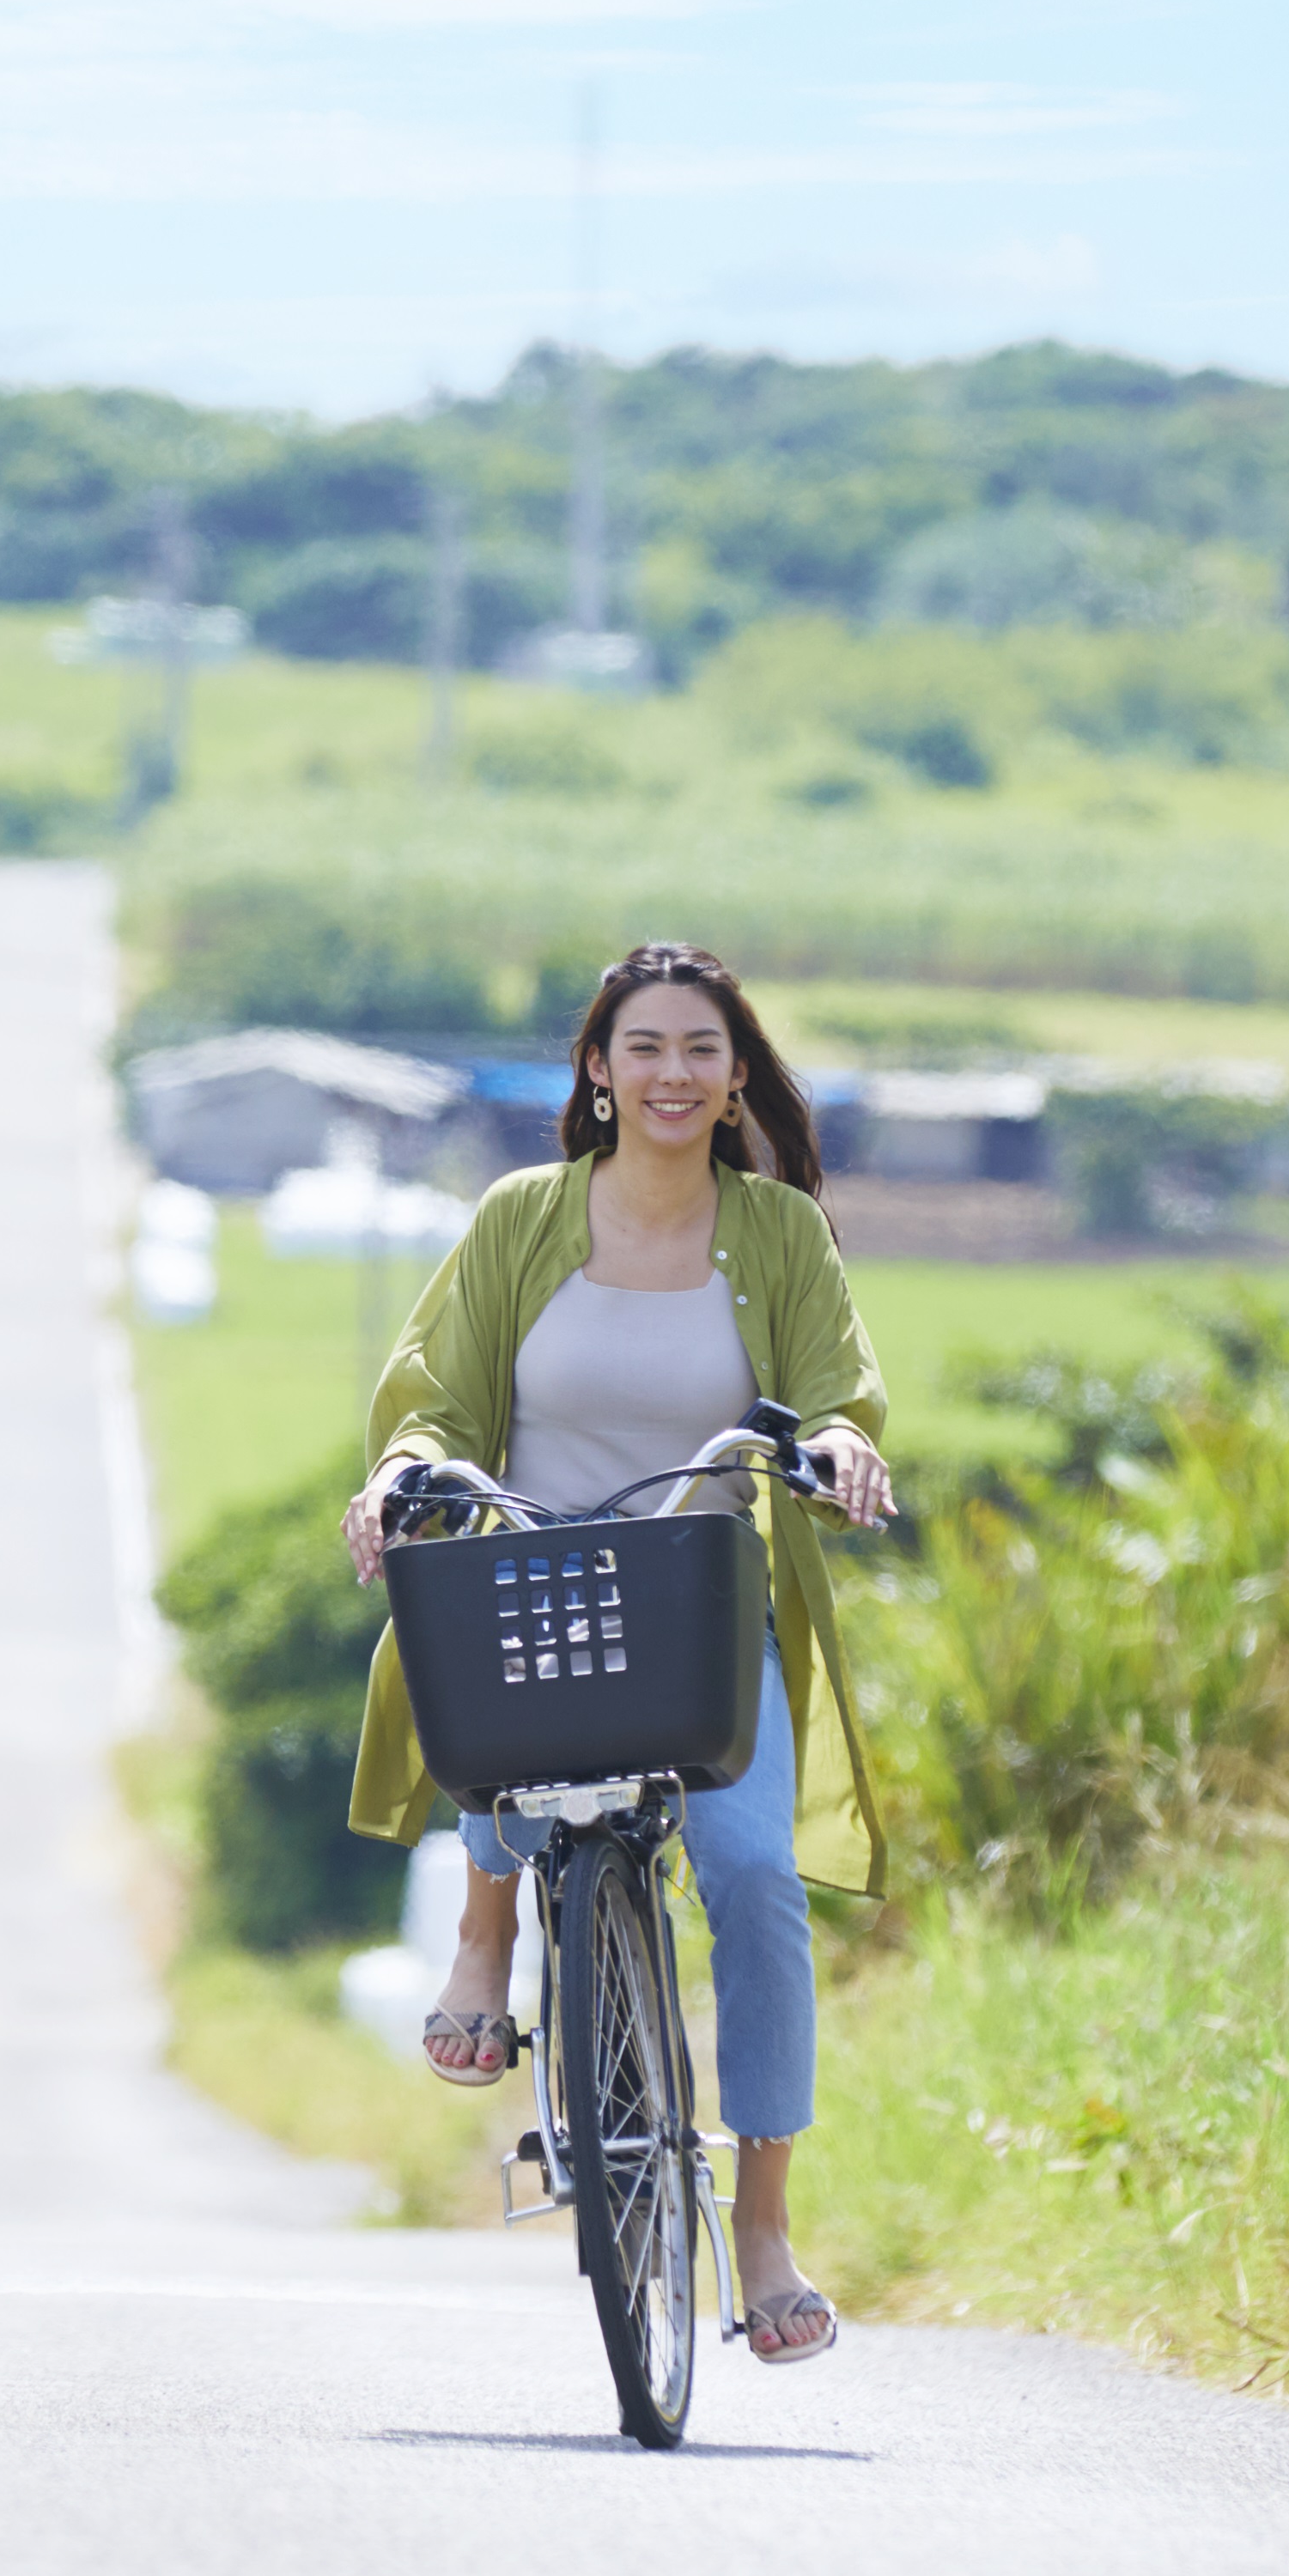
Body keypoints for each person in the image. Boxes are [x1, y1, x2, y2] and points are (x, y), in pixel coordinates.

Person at [338, 941, 896, 2366]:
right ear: (596, 1067)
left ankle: (761, 2225)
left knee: (759, 1878)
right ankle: (484, 1943)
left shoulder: (774, 1230)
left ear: (731, 1076)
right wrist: (404, 1469)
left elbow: (835, 1384)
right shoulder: (525, 1217)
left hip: (709, 1603)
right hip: (539, 1580)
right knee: (481, 1659)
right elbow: (435, 1393)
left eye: (698, 1051)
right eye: (642, 1046)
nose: (670, 1073)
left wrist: (837, 1443)